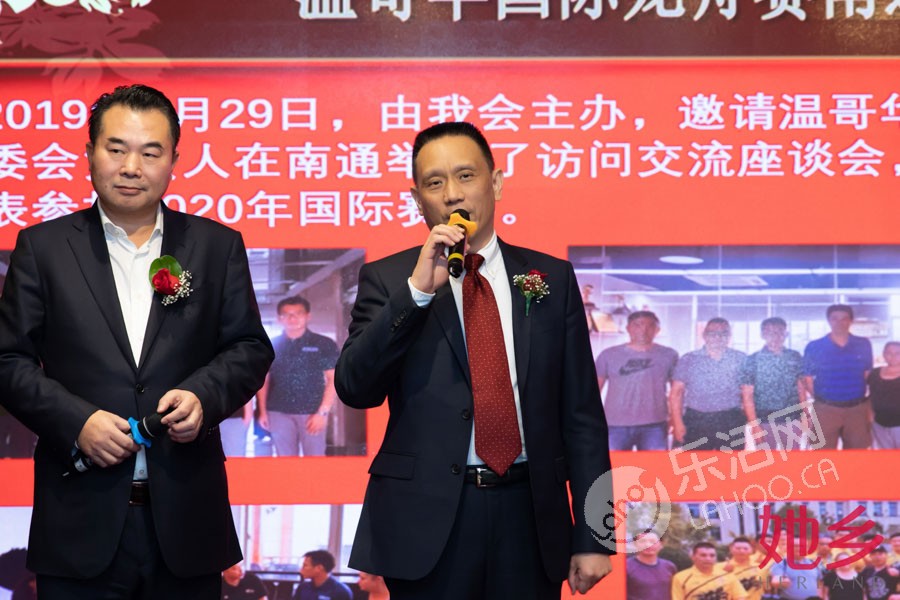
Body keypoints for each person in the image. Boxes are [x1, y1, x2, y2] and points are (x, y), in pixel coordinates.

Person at [0, 84, 274, 599]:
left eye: (150, 152)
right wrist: (76, 421)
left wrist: (204, 397)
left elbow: (249, 348)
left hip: (187, 519)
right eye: (116, 149)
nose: (132, 167)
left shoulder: (215, 246)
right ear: (89, 152)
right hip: (79, 517)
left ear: (174, 160)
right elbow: (8, 359)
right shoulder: (43, 248)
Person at [334, 122, 614, 599]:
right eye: (434, 182)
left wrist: (595, 533)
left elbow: (583, 416)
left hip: (530, 516)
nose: (452, 194)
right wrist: (417, 293)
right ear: (417, 200)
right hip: (427, 520)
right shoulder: (391, 279)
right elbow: (355, 388)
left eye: (466, 175)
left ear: (496, 183)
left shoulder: (551, 278)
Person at [257, 296, 339, 457]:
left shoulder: (323, 343)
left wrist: (322, 413)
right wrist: (263, 411)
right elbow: (263, 380)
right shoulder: (271, 345)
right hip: (278, 413)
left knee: (315, 461)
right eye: (287, 314)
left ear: (308, 316)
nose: (292, 318)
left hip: (312, 412)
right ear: (279, 319)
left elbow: (333, 379)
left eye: (298, 313)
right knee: (285, 462)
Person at [595, 310, 678, 451]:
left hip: (655, 425)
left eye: (650, 326)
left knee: (655, 465)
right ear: (628, 328)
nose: (643, 330)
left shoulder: (669, 355)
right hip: (614, 425)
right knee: (612, 464)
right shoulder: (608, 355)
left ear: (657, 330)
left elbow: (676, 391)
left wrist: (676, 420)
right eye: (638, 325)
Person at [670, 318, 749, 450]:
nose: (718, 337)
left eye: (723, 333)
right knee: (696, 461)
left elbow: (748, 393)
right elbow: (676, 394)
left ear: (729, 336)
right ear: (704, 335)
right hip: (697, 420)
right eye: (713, 333)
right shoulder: (689, 359)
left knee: (731, 462)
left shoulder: (741, 359)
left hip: (731, 419)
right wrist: (677, 424)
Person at [803, 304, 873, 449]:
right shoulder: (814, 346)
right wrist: (825, 400)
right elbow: (807, 379)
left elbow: (867, 374)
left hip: (857, 410)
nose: (839, 322)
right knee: (823, 455)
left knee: (857, 455)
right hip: (825, 410)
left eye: (844, 318)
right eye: (834, 318)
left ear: (851, 321)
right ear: (828, 321)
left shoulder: (863, 344)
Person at [740, 318, 806, 450]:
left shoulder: (794, 356)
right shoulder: (752, 360)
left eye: (780, 332)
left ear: (786, 334)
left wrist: (805, 414)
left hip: (792, 420)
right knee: (766, 461)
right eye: (770, 332)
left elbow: (800, 387)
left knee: (793, 460)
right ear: (762, 335)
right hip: (764, 421)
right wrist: (754, 425)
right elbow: (747, 395)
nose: (775, 336)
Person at [671, 542, 747, 600]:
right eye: (703, 555)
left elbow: (740, 596)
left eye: (712, 555)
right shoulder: (681, 578)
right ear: (693, 557)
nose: (708, 559)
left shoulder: (727, 576)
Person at [867, 342, 900, 449]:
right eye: (889, 353)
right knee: (885, 456)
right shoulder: (875, 373)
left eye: (897, 353)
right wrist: (870, 415)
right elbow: (870, 395)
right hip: (879, 424)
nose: (893, 356)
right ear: (884, 354)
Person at [627, 532, 677, 600]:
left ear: (661, 544)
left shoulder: (669, 566)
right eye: (642, 541)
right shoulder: (626, 566)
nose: (648, 545)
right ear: (635, 544)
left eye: (653, 541)